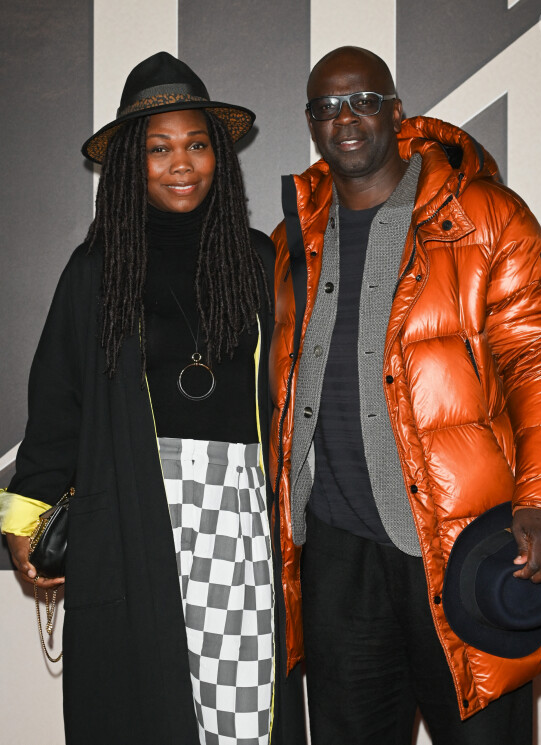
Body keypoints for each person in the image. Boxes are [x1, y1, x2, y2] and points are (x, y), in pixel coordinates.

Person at [269, 45, 541, 744]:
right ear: (311, 124)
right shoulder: (294, 239)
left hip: (462, 539)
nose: (345, 118)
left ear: (396, 110)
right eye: (326, 107)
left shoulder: (484, 216)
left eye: (363, 100)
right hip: (338, 558)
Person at [1, 52, 304, 745]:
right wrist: (23, 520)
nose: (181, 163)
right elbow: (56, 403)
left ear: (218, 157)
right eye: (160, 148)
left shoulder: (258, 262)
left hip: (239, 520)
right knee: (140, 710)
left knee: (244, 710)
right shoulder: (98, 269)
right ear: (131, 161)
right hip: (131, 510)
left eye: (197, 145)